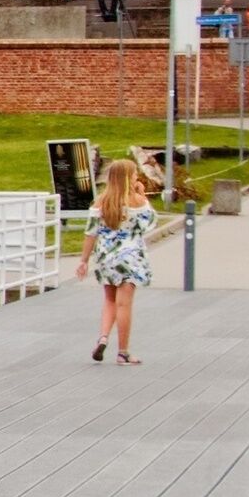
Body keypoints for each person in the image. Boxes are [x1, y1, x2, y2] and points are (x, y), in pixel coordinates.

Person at [87, 156, 155, 364]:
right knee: (124, 305)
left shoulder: (101, 200)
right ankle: (123, 352)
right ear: (128, 178)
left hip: (107, 258)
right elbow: (149, 222)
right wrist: (142, 194)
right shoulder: (137, 200)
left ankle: (103, 337)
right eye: (134, 174)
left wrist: (83, 260)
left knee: (109, 300)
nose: (137, 177)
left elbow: (90, 232)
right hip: (130, 258)